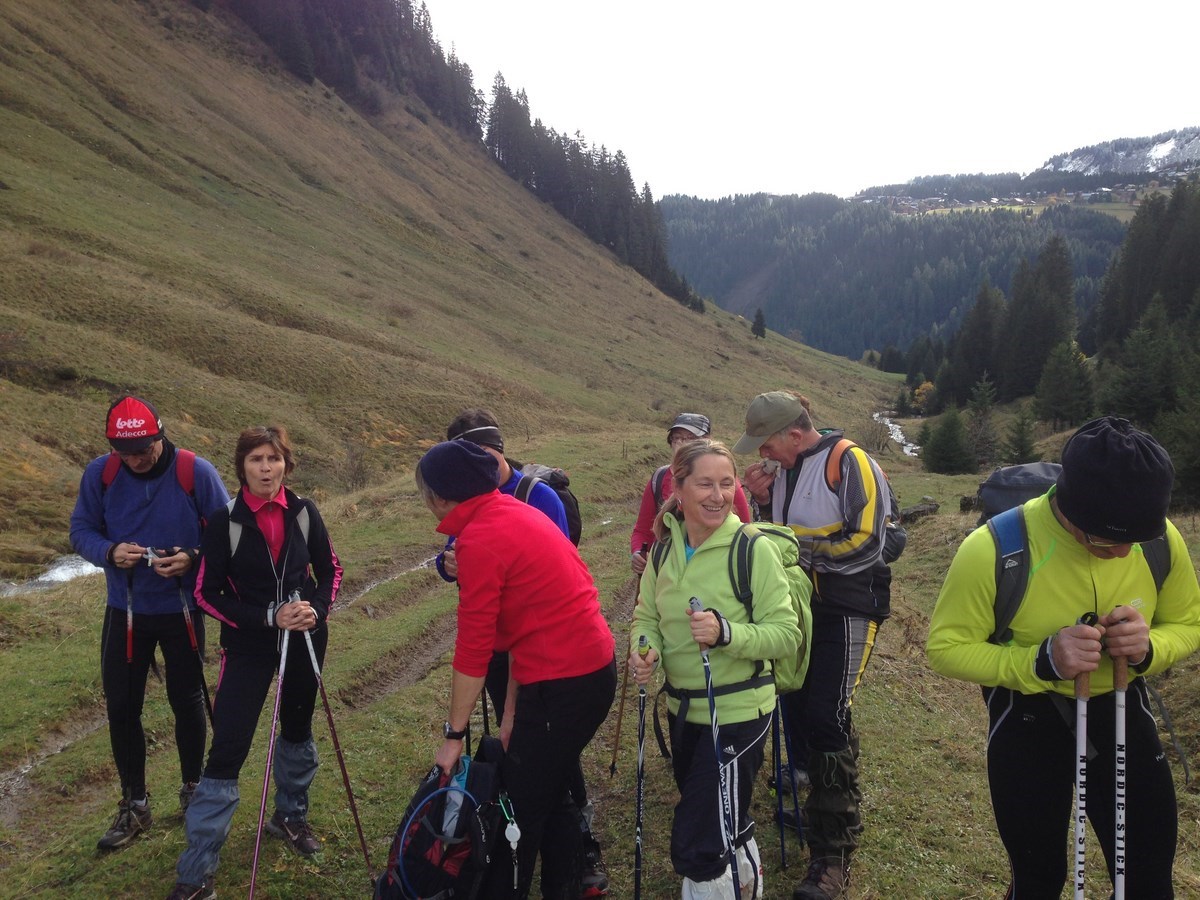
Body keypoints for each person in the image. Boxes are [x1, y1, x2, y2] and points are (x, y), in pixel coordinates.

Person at [927, 416, 1200, 898]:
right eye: (1105, 541)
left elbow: (1188, 623)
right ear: (1068, 508)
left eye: (1134, 541)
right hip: (1027, 719)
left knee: (1148, 878)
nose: (1122, 555)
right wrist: (1040, 662)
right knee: (1038, 879)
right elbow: (946, 649)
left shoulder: (1159, 542)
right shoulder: (994, 549)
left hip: (1120, 708)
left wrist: (1149, 648)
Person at [416, 440, 616, 900]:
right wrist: (511, 709)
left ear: (440, 498)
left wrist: (453, 737)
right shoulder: (512, 512)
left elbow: (474, 648)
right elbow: (515, 632)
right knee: (547, 783)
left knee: (520, 808)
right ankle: (566, 886)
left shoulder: (480, 540)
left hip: (566, 681)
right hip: (582, 670)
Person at [167, 425, 343, 900]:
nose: (266, 469)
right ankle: (197, 870)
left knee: (297, 727)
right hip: (247, 645)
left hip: (304, 638)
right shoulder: (223, 521)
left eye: (274, 459)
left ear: (286, 464)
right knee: (228, 745)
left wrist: (316, 610)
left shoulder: (304, 512)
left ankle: (290, 816)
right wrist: (268, 616)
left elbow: (330, 569)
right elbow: (206, 592)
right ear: (242, 467)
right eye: (256, 460)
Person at [734, 390, 893, 900]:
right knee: (797, 703)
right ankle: (816, 798)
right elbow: (775, 532)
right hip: (797, 608)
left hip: (848, 607)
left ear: (795, 434)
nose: (762, 455)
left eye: (767, 444)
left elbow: (867, 543)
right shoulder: (781, 472)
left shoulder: (850, 461)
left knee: (827, 714)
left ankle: (833, 852)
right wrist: (761, 502)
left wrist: (793, 552)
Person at [629, 439, 801, 899]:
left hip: (739, 713)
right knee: (724, 816)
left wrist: (727, 632)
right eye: (705, 484)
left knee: (699, 839)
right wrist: (646, 650)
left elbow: (786, 634)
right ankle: (745, 884)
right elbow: (647, 617)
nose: (718, 495)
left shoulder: (752, 549)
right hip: (684, 712)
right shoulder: (663, 551)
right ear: (678, 488)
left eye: (727, 484)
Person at [70, 396, 230, 852]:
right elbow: (81, 530)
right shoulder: (100, 474)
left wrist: (192, 557)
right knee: (122, 708)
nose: (137, 459)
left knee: (188, 699)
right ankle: (134, 803)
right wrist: (108, 551)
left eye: (144, 449)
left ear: (160, 435)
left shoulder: (195, 472)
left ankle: (193, 788)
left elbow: (227, 532)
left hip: (181, 609)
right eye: (125, 452)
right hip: (125, 610)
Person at [630, 413, 753, 574]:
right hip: (664, 572)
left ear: (707, 441)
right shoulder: (659, 478)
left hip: (715, 571)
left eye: (691, 438)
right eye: (677, 438)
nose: (682, 443)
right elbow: (642, 530)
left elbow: (744, 530)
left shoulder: (727, 484)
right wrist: (638, 552)